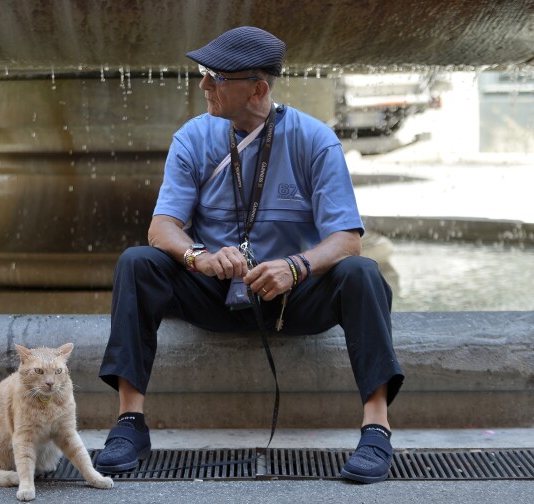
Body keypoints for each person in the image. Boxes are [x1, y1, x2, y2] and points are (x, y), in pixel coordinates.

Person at [96, 26, 405, 484]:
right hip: (215, 290)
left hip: (288, 297)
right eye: (204, 74)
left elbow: (346, 238)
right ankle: (129, 424)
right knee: (137, 263)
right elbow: (162, 228)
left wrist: (296, 267)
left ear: (257, 88)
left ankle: (376, 428)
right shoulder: (193, 137)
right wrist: (198, 256)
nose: (203, 85)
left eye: (215, 77)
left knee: (362, 273)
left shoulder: (315, 140)